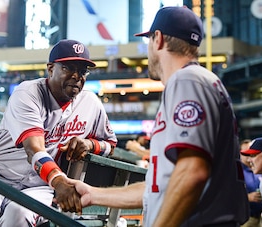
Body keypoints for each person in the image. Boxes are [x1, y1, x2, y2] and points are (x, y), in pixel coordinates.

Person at [62, 6, 249, 227]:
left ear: (158, 39)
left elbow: (192, 172)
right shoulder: (197, 81)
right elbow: (159, 186)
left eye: (149, 41)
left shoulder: (186, 80)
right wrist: (93, 195)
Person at [0, 39, 117, 227]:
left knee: (18, 216)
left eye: (82, 71)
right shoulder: (28, 93)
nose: (76, 76)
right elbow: (33, 149)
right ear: (50, 69)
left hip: (39, 186)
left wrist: (90, 145)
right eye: (68, 68)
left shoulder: (91, 103)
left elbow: (110, 145)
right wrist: (59, 181)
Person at [240, 139, 262, 227]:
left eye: (251, 151)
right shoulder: (236, 171)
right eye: (245, 152)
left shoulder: (260, 169)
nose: (249, 154)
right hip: (246, 219)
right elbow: (227, 195)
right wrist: (247, 197)